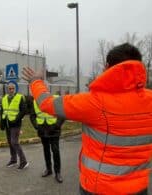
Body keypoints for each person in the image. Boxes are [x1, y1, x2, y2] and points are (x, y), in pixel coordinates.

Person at [22, 43, 152, 195]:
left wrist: (36, 81)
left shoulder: (95, 102)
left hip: (99, 188)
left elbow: (46, 103)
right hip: (139, 188)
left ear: (107, 67)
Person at [29, 95, 65, 183]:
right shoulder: (35, 101)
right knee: (46, 150)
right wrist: (36, 126)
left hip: (54, 130)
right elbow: (32, 115)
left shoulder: (56, 98)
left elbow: (62, 114)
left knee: (55, 151)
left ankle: (58, 172)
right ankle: (48, 169)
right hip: (42, 129)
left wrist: (57, 125)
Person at [0, 82, 29, 170]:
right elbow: (3, 111)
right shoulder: (4, 98)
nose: (11, 90)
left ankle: (24, 162)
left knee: (14, 142)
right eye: (9, 88)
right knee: (10, 142)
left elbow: (23, 110)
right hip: (7, 123)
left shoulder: (20, 97)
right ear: (7, 89)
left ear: (15, 89)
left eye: (13, 88)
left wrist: (16, 119)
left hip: (15, 124)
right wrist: (2, 122)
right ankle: (13, 160)